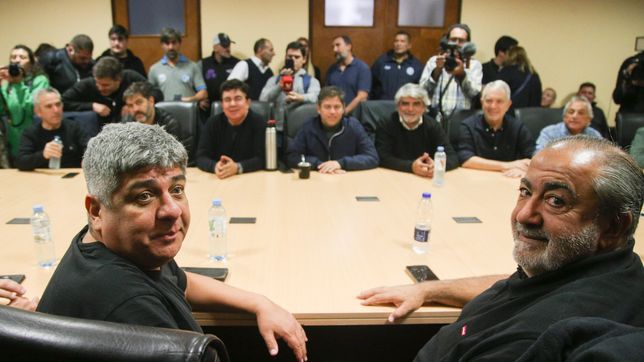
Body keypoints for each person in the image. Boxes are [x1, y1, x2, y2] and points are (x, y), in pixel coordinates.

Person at [36, 122, 308, 362]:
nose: (173, 210)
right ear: (97, 211)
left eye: (177, 190)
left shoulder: (119, 248)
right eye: (144, 196)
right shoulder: (132, 308)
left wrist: (260, 303)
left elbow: (180, 280)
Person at [360, 136, 644, 360]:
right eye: (525, 192)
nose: (523, 215)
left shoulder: (529, 343)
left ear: (613, 226)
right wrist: (428, 289)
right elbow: (522, 286)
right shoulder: (614, 268)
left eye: (556, 200)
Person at [286, 86, 378, 173]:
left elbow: (372, 157)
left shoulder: (354, 126)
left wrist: (340, 163)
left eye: (337, 107)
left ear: (343, 108)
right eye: (327, 107)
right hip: (317, 179)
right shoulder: (308, 128)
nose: (332, 112)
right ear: (318, 109)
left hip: (346, 179)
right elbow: (292, 157)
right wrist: (319, 164)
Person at [376, 83, 458, 177]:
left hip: (425, 177)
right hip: (394, 176)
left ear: (424, 107)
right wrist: (411, 167)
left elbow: (452, 157)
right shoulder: (386, 124)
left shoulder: (433, 126)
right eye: (405, 103)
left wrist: (437, 166)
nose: (410, 109)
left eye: (416, 104)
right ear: (398, 106)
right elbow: (381, 157)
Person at [457, 80, 534, 177]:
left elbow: (533, 159)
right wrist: (507, 165)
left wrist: (525, 171)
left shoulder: (518, 128)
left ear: (508, 105)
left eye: (499, 101)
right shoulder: (468, 126)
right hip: (475, 180)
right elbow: (465, 159)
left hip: (508, 181)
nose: (493, 106)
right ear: (482, 102)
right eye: (489, 101)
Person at [196, 79, 265, 178]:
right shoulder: (212, 123)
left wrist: (238, 167)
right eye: (227, 100)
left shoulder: (259, 122)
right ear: (222, 104)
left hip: (251, 178)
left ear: (248, 102)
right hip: (218, 179)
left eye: (238, 98)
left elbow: (262, 158)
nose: (232, 104)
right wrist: (215, 166)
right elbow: (201, 156)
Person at [419, 24, 483, 125]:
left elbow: (474, 93)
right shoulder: (434, 61)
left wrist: (462, 75)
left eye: (461, 41)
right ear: (447, 41)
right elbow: (422, 91)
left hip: (463, 121)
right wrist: (437, 71)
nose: (456, 43)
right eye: (453, 39)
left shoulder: (474, 65)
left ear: (467, 43)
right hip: (436, 120)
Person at [62, 56, 148, 125]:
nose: (100, 88)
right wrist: (91, 106)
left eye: (105, 85)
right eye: (97, 83)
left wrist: (131, 105)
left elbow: (155, 94)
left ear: (119, 80)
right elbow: (63, 102)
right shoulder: (87, 84)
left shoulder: (131, 78)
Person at [16, 88, 87, 170]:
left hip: (72, 176)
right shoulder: (30, 133)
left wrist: (86, 160)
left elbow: (89, 150)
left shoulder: (75, 127)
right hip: (42, 179)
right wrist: (43, 155)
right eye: (49, 106)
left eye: (58, 104)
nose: (56, 110)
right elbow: (20, 162)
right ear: (38, 111)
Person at [0, 45, 50, 161]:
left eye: (22, 57)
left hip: (32, 139)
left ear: (31, 62)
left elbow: (33, 107)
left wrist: (18, 84)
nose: (17, 60)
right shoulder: (6, 82)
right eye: (13, 57)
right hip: (9, 141)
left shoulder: (39, 80)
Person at [148, 28, 208, 106]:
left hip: (188, 113)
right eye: (167, 43)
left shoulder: (193, 66)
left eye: (174, 43)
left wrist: (190, 100)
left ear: (179, 44)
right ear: (162, 45)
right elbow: (149, 95)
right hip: (163, 114)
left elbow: (203, 93)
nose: (171, 47)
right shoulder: (154, 69)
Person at [259, 41, 321, 108]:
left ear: (304, 59)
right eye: (290, 57)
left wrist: (300, 97)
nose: (293, 60)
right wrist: (279, 86)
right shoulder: (274, 80)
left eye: (297, 57)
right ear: (285, 57)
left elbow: (316, 98)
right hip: (278, 117)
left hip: (301, 117)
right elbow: (263, 99)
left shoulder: (311, 81)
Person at [535, 96, 602, 153]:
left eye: (581, 113)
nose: (574, 116)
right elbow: (539, 156)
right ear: (564, 116)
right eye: (571, 112)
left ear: (589, 119)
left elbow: (603, 159)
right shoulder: (549, 133)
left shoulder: (595, 136)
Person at [370, 31, 424, 100]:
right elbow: (372, 83)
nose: (398, 44)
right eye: (396, 41)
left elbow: (420, 88)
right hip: (383, 105)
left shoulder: (416, 65)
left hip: (406, 106)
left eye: (402, 41)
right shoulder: (381, 62)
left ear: (409, 45)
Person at [326, 35, 371, 114]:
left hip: (356, 117)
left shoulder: (362, 68)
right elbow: (327, 93)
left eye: (338, 45)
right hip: (334, 115)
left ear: (348, 46)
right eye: (333, 47)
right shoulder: (332, 69)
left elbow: (362, 96)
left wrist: (344, 111)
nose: (334, 49)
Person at [198, 32, 240, 107]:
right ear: (215, 47)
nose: (228, 48)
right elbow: (195, 85)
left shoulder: (238, 63)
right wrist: (199, 101)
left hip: (231, 106)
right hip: (208, 110)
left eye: (229, 45)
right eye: (224, 45)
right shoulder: (203, 64)